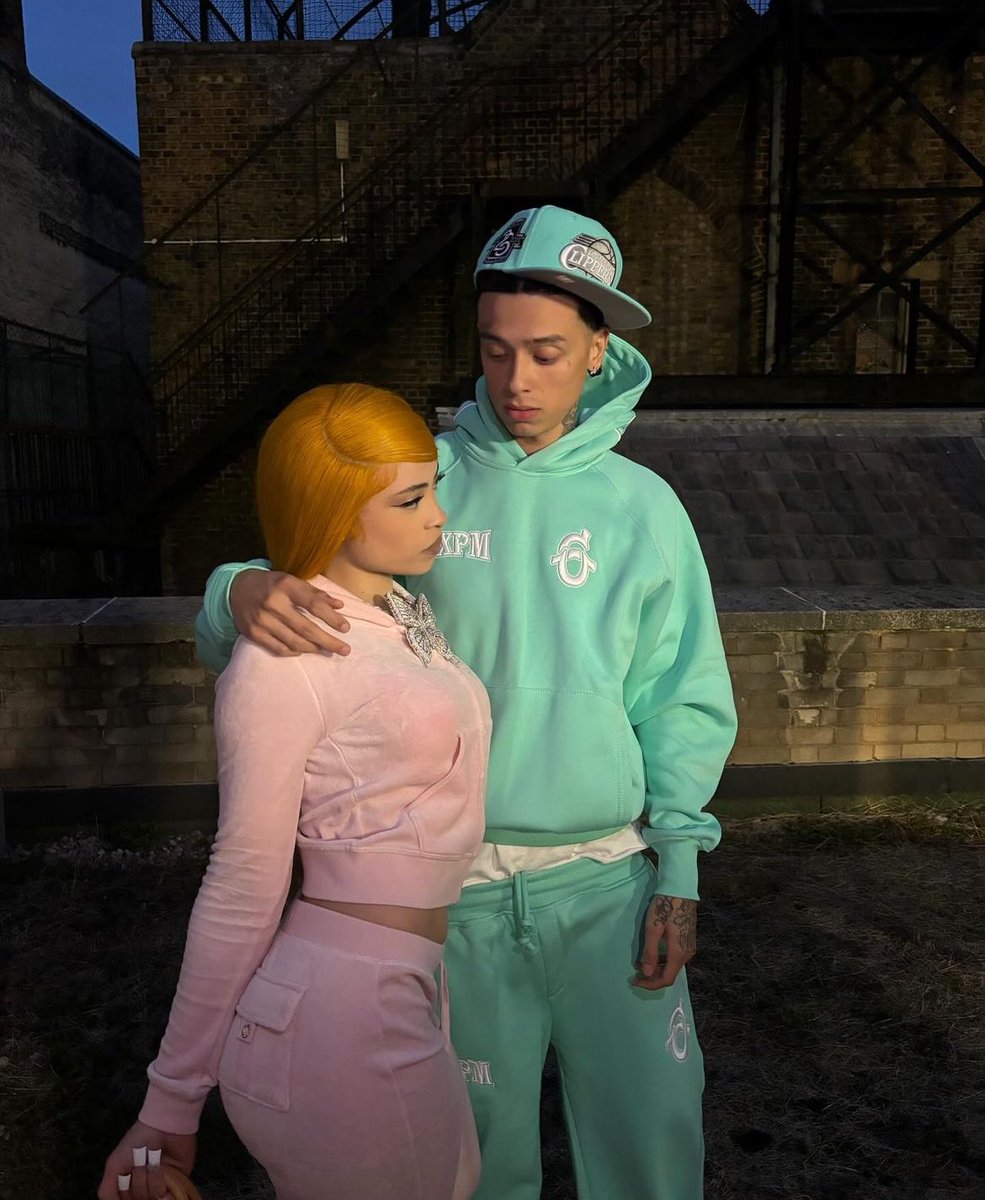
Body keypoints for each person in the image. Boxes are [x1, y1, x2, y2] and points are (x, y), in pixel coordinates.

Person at [195, 206, 738, 1200]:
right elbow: (308, 579)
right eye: (494, 350)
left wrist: (680, 869)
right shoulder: (429, 480)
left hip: (608, 885)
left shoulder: (644, 508)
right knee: (477, 1164)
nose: (516, 380)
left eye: (546, 353)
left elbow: (680, 695)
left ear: (597, 350)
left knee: (652, 1146)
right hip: (457, 896)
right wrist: (236, 588)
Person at [98, 383, 491, 1200]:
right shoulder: (283, 659)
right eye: (410, 498)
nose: (437, 517)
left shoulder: (395, 611)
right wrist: (170, 1104)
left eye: (433, 489)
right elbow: (242, 883)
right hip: (335, 1017)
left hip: (401, 984)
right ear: (331, 507)